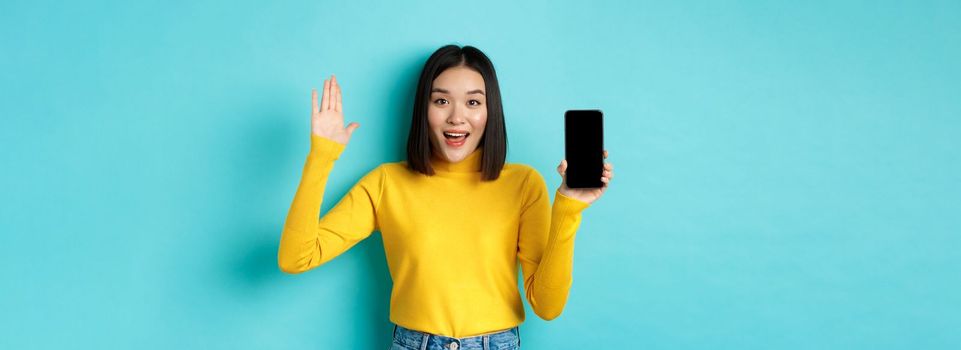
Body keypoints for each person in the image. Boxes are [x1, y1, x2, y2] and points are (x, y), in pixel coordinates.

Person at [277, 45, 614, 350]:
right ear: (424, 109)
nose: (456, 116)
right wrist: (322, 156)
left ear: (489, 111)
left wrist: (569, 208)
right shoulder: (386, 184)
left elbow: (547, 305)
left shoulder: (523, 184)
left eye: (473, 102)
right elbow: (297, 258)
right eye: (441, 100)